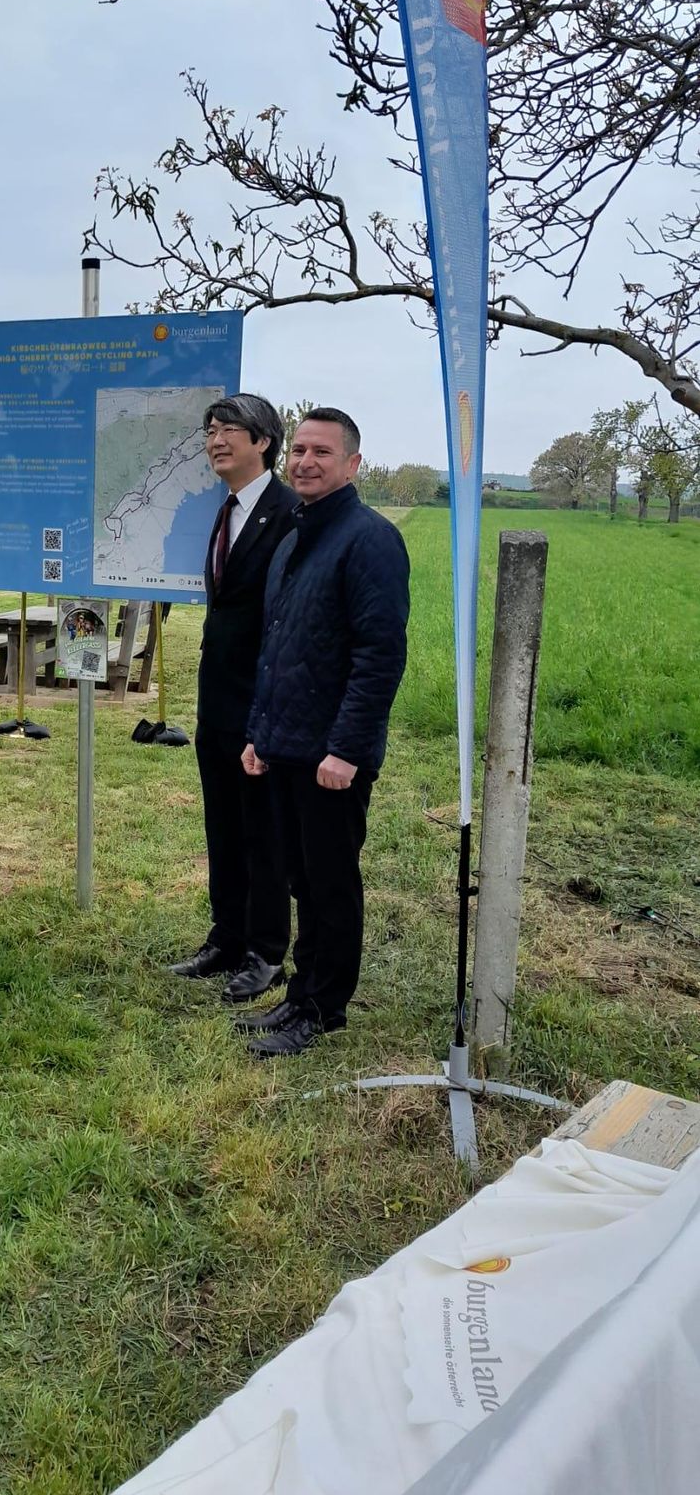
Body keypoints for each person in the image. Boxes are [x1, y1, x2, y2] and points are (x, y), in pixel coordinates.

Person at [239, 408, 410, 1056]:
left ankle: (322, 1008)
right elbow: (277, 650)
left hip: (331, 757)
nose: (305, 461)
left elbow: (378, 655)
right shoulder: (293, 538)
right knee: (301, 879)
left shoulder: (369, 541)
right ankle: (300, 995)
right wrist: (260, 733)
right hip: (287, 746)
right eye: (299, 450)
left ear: (352, 464)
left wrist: (345, 748)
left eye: (321, 452)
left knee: (331, 883)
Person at [169, 393, 299, 1005]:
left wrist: (270, 714)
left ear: (263, 441)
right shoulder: (226, 511)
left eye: (229, 430)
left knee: (262, 830)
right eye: (210, 430)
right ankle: (226, 935)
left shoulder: (288, 513)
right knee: (222, 824)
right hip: (217, 702)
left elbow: (289, 622)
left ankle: (266, 950)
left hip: (262, 704)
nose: (215, 439)